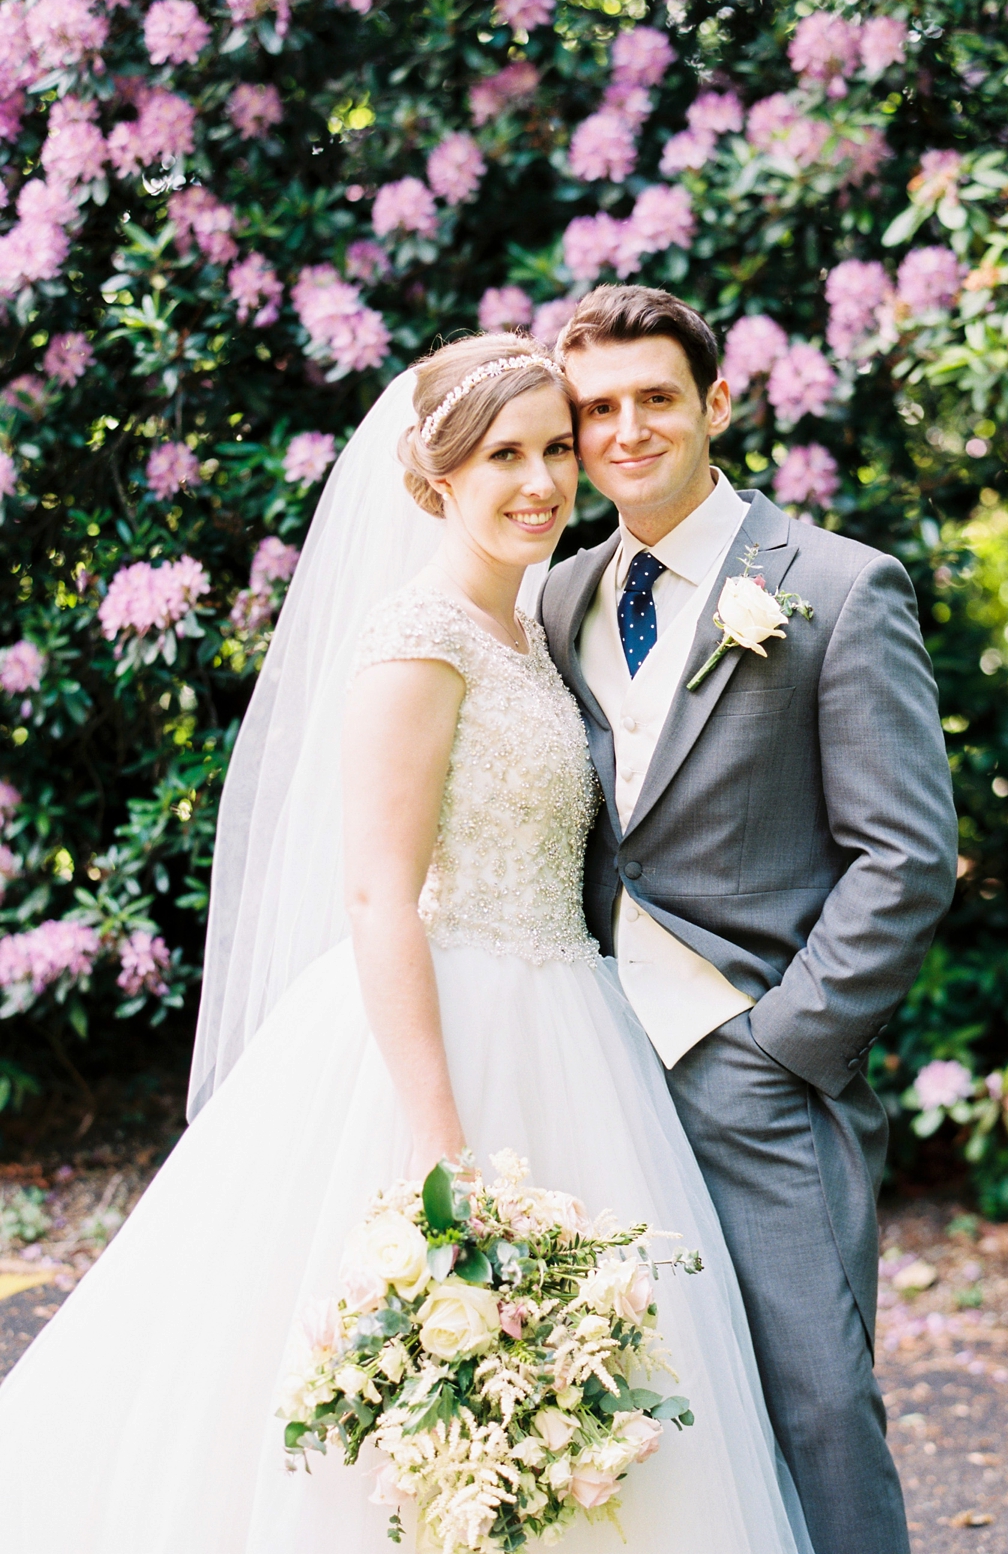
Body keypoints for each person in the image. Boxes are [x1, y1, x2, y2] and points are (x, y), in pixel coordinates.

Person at [0, 335, 811, 1554]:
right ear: (434, 480)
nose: (542, 482)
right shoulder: (416, 639)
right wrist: (442, 1150)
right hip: (439, 1038)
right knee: (418, 1399)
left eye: (553, 450)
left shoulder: (534, 622)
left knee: (590, 1390)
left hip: (575, 1025)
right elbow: (379, 897)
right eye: (504, 457)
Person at [541, 285, 959, 1554]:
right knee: (632, 1406)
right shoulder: (557, 603)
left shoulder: (837, 586)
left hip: (758, 1068)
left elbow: (906, 856)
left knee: (820, 1399)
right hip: (590, 1064)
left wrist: (788, 1045)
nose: (626, 430)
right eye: (596, 409)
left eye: (655, 398)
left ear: (715, 404)